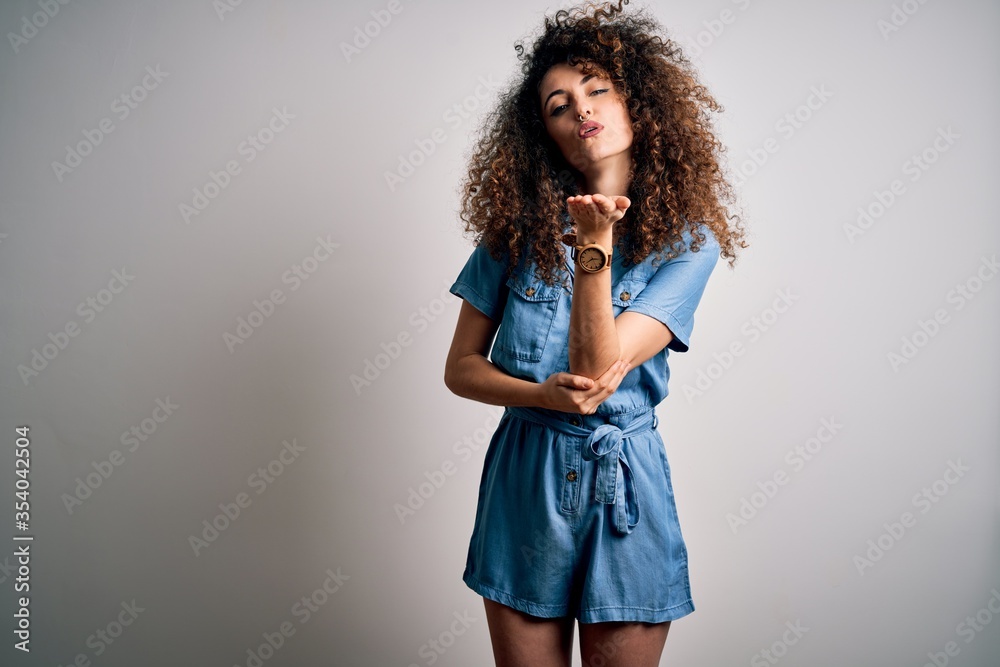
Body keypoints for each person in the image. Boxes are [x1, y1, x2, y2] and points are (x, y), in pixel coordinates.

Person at [443, 1, 747, 665]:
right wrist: (542, 398)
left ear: (636, 101)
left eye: (597, 88)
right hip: (526, 477)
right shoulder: (514, 230)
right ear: (547, 136)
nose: (580, 108)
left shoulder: (687, 244)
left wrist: (593, 245)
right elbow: (461, 368)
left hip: (624, 489)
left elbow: (596, 364)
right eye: (558, 105)